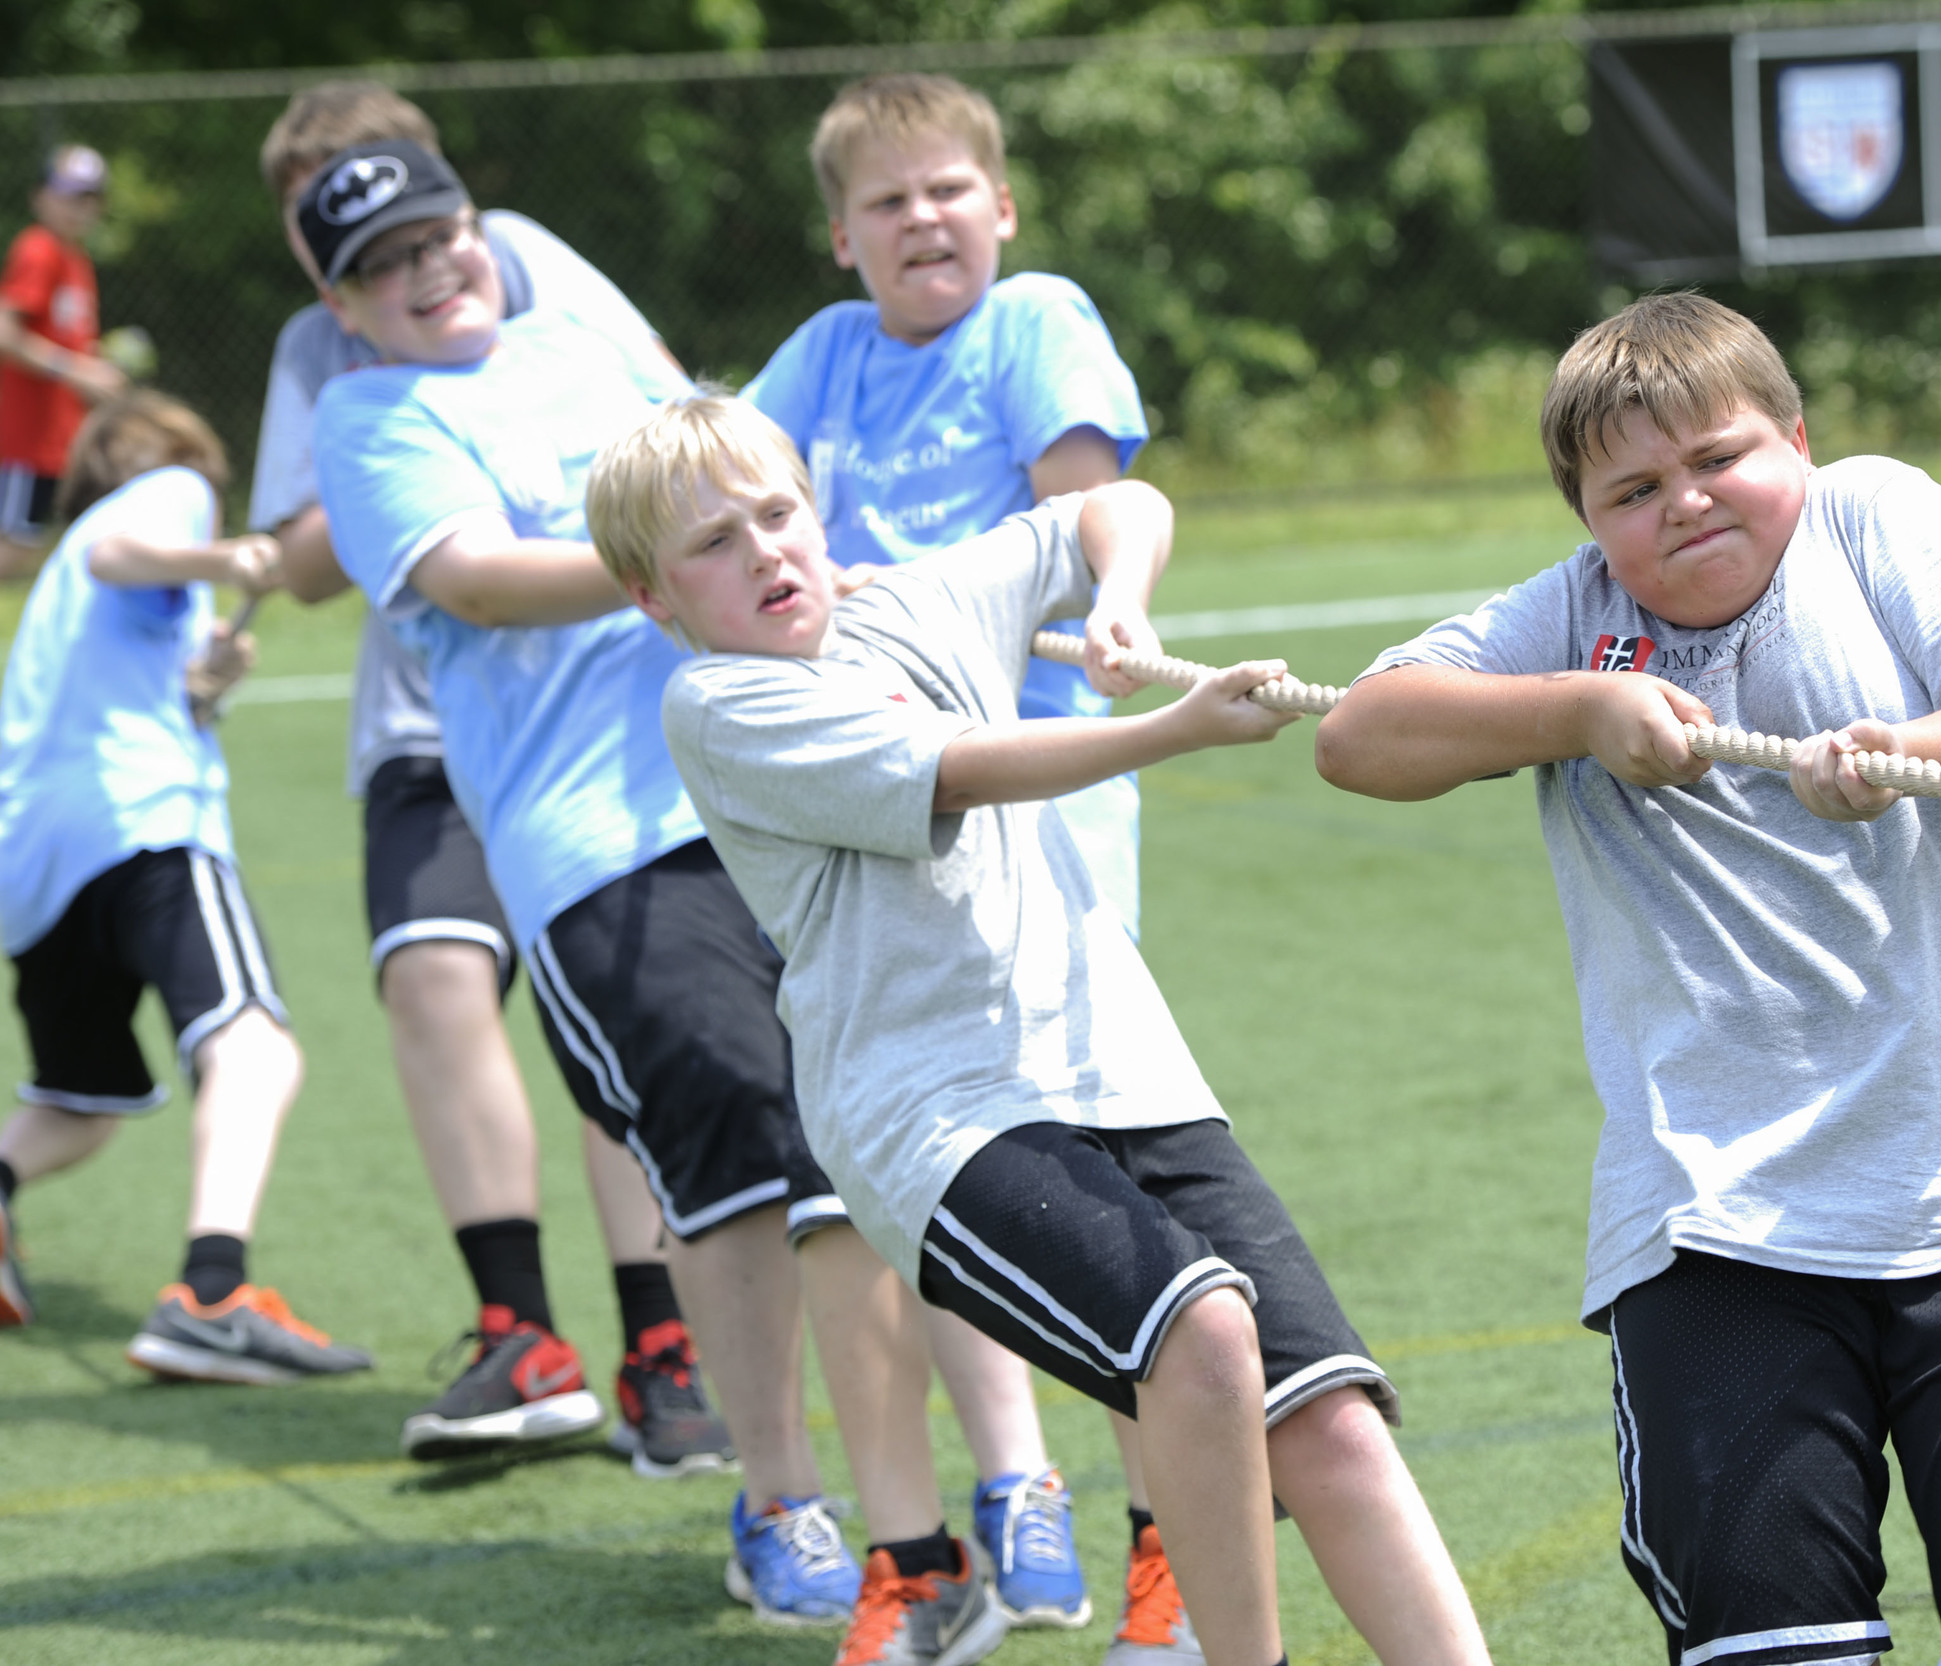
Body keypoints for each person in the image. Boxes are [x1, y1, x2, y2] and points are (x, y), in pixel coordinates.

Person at [1314, 291, 1941, 1666]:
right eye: (1635, 488)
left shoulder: (1872, 517)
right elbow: (1358, 736)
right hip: (1714, 1222)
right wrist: (1581, 710)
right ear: (1589, 519)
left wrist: (1912, 745)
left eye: (1721, 457)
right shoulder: (1574, 617)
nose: (1687, 502)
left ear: (1795, 436)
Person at [587, 392, 1493, 1666]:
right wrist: (1172, 727)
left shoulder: (915, 602)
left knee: (1331, 1421)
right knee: (1203, 1330)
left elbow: (1115, 506)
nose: (765, 555)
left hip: (1122, 1069)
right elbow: (957, 767)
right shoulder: (722, 703)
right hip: (938, 1119)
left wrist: (1117, 592)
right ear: (653, 597)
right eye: (713, 546)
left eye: (777, 514)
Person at [304, 142, 998, 1648]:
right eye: (382, 265)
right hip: (597, 852)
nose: (428, 272)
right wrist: (680, 556)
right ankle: (778, 1497)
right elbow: (479, 578)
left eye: (442, 236)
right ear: (341, 306)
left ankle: (990, 1481)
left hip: (772, 785)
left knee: (884, 1128)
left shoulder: (583, 339)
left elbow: (725, 457)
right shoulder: (364, 415)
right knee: (746, 1160)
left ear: (478, 231)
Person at [251, 81, 728, 1472]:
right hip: (431, 727)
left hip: (600, 719)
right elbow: (295, 556)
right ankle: (520, 1329)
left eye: (405, 205)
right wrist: (400, 460)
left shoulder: (516, 256)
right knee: (434, 975)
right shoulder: (327, 356)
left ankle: (664, 1340)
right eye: (336, 229)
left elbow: (657, 380)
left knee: (618, 1024)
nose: (397, 247)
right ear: (318, 267)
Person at [744, 69, 1154, 1642]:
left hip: (1034, 811)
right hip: (863, 830)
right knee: (856, 1180)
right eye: (887, 200)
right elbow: (721, 488)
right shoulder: (824, 359)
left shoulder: (1035, 319)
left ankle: (1155, 1530)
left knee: (1089, 1164)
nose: (923, 218)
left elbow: (1085, 512)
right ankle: (938, 1543)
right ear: (840, 237)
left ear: (1002, 209)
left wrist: (1110, 596)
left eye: (947, 190)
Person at [0, 389, 371, 1386]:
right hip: (141, 822)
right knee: (255, 1045)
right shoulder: (165, 495)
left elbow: (128, 635)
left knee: (86, 1101)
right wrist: (225, 555)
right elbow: (123, 558)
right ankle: (211, 1295)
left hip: (33, 863)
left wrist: (202, 683)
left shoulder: (70, 582)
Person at [0, 144, 126, 579]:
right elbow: (5, 332)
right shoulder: (39, 250)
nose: (80, 207)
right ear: (40, 197)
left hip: (55, 436)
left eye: (90, 196)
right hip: (23, 435)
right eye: (69, 194)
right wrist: (76, 370)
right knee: (15, 547)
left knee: (30, 545)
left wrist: (98, 365)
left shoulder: (75, 259)